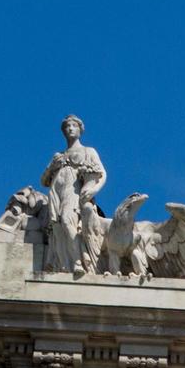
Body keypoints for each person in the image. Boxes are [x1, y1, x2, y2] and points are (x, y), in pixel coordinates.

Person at [40, 115, 107, 276]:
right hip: (56, 191)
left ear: (80, 130)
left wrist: (94, 189)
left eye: (73, 126)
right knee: (56, 227)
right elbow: (43, 180)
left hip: (74, 190)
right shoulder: (59, 155)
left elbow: (102, 173)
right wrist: (51, 167)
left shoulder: (88, 151)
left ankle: (77, 262)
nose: (70, 128)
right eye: (67, 127)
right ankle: (63, 264)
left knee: (67, 220)